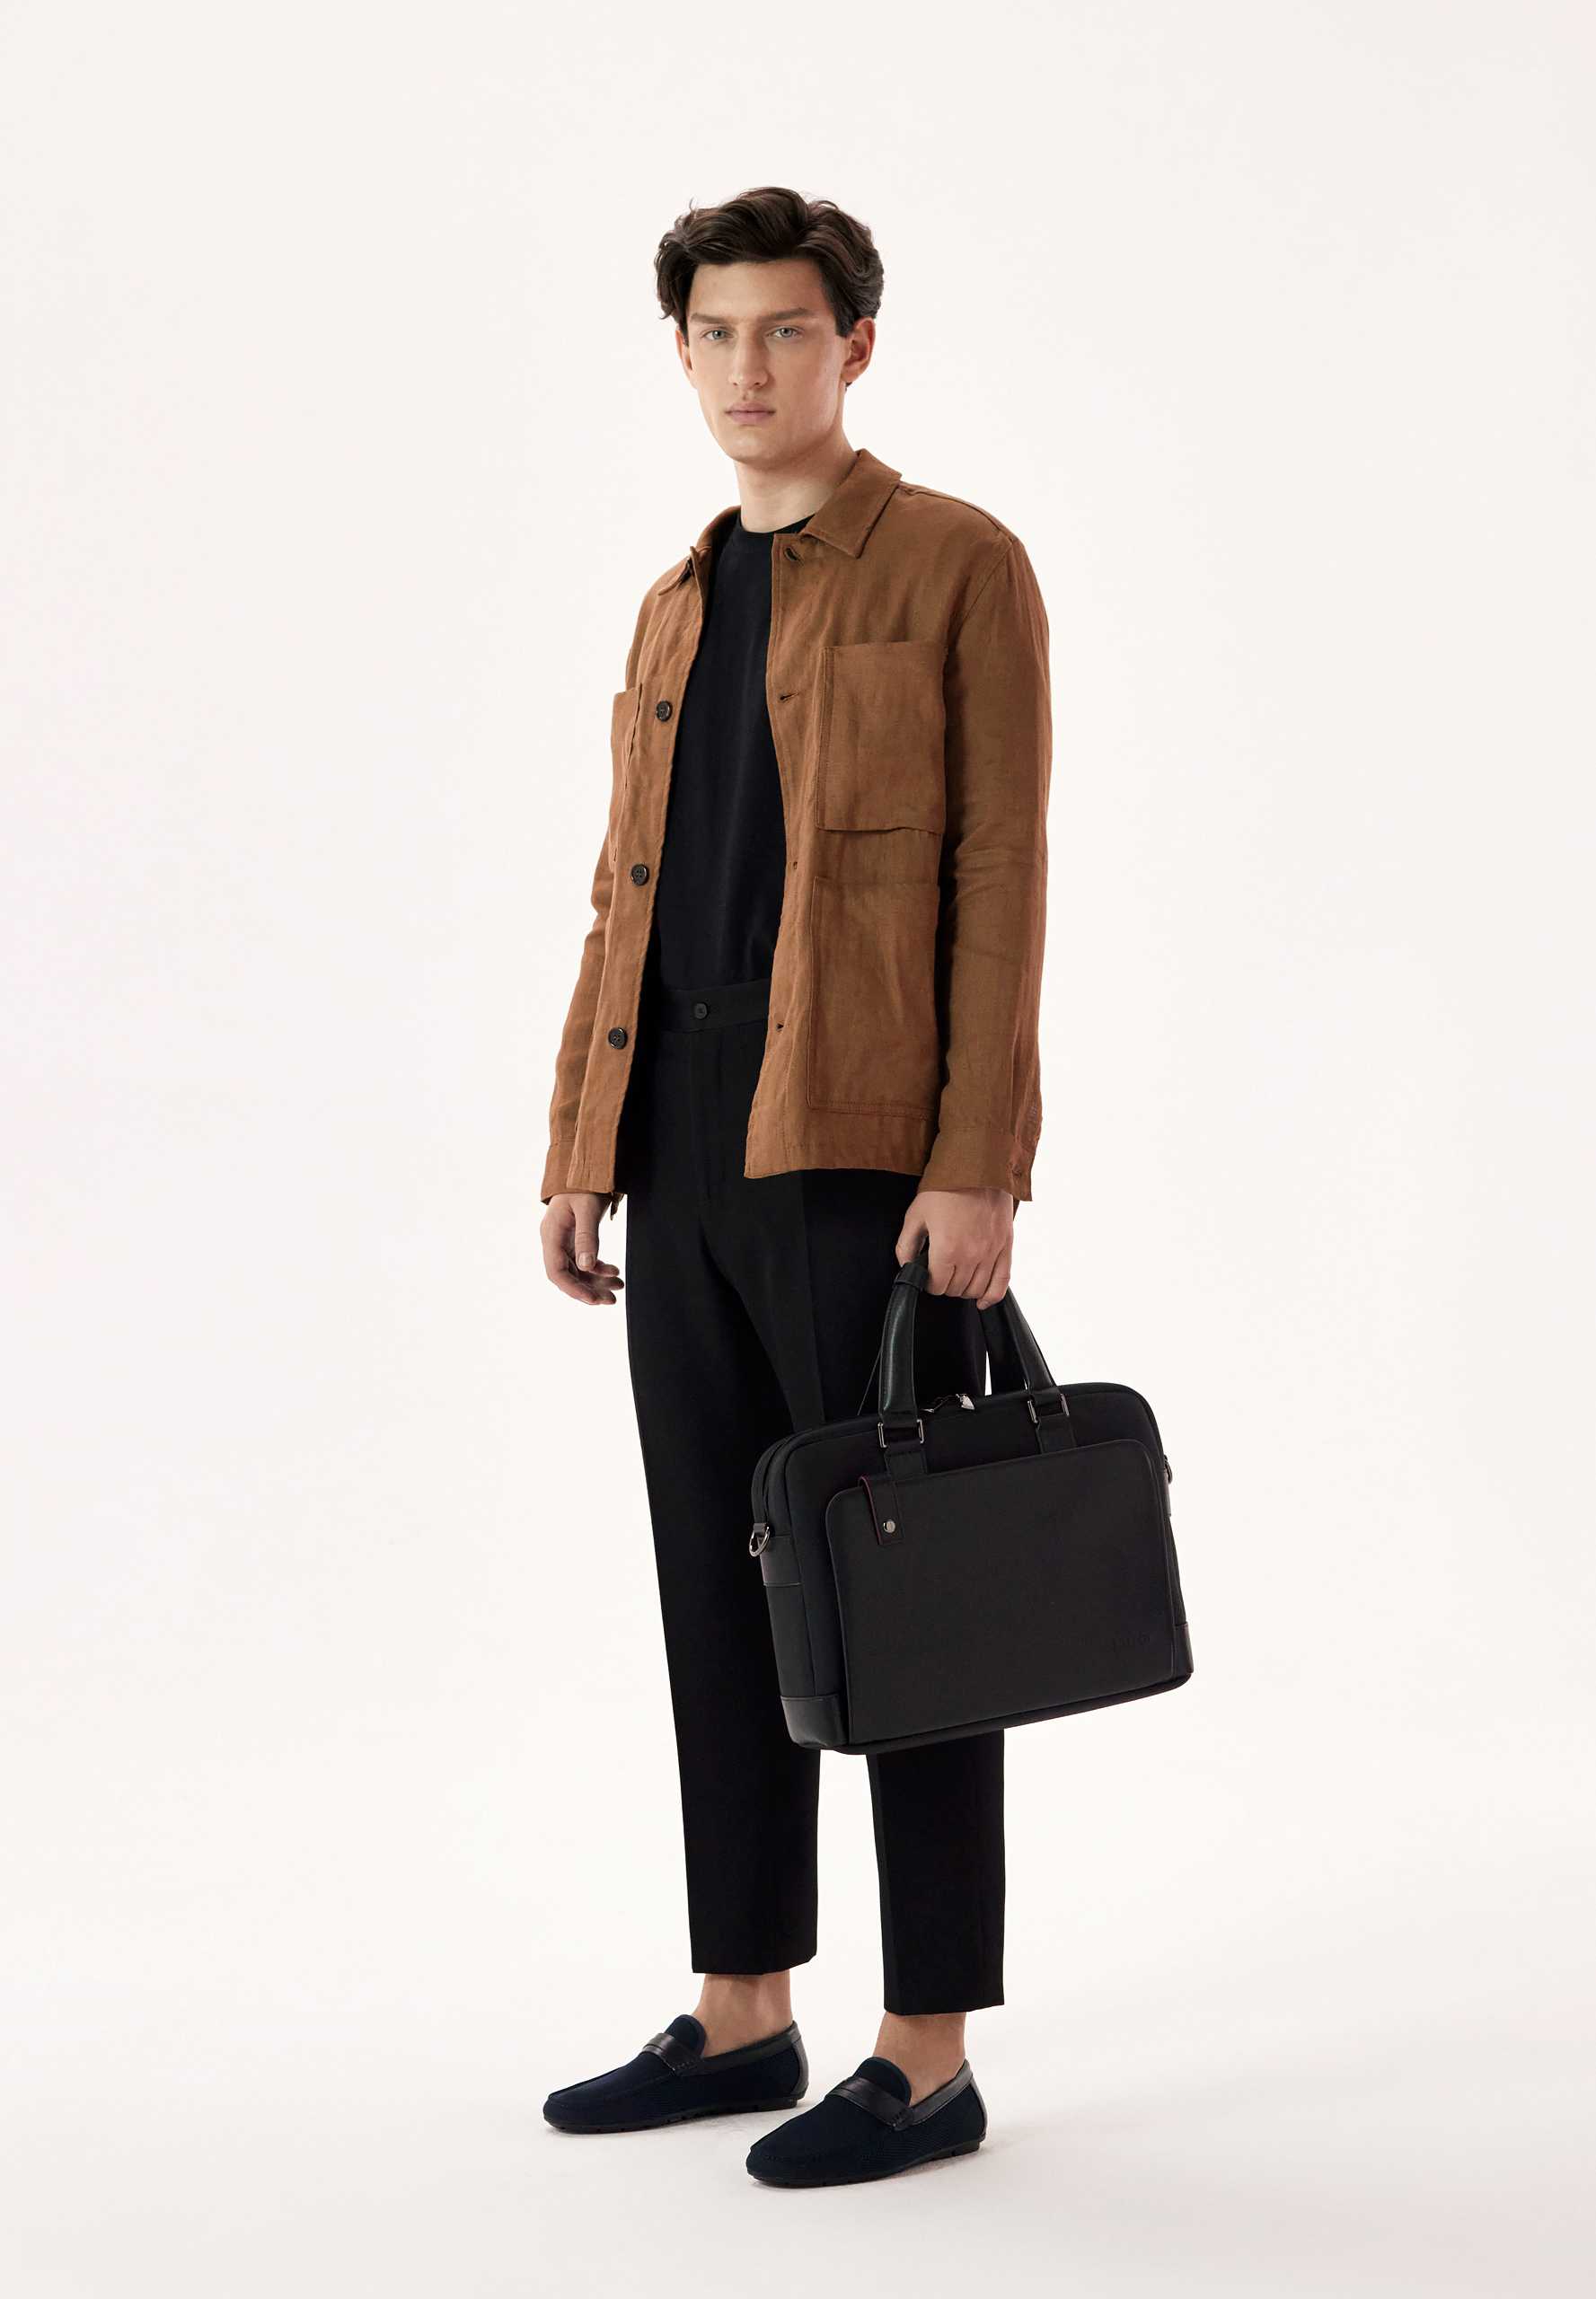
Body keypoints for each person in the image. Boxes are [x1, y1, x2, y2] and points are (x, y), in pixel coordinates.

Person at [537, 184, 1052, 2188]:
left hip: (860, 1149)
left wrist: (975, 1160)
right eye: (715, 333)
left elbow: (1000, 877)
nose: (747, 367)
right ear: (679, 353)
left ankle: (927, 2051)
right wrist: (580, 1146)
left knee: (904, 1595)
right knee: (715, 1581)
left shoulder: (953, 563)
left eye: (785, 331)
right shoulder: (676, 599)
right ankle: (743, 2004)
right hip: (683, 1142)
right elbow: (623, 892)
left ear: (855, 347)